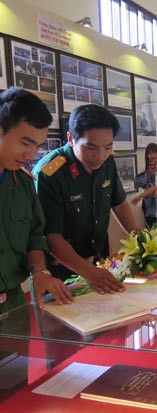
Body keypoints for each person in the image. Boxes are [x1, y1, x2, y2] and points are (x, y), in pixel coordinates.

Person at [33, 104, 137, 294]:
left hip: (99, 260)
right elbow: (51, 236)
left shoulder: (107, 162)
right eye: (91, 148)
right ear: (71, 139)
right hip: (61, 272)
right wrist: (88, 272)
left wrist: (140, 240)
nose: (100, 156)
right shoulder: (50, 173)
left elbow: (119, 204)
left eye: (108, 147)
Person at [0, 87, 72, 312]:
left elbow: (34, 236)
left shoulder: (23, 184)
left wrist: (40, 271)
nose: (31, 155)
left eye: (37, 146)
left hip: (12, 304)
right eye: (25, 143)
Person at [134, 143, 157, 227]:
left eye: (154, 153)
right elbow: (140, 185)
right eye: (149, 153)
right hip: (149, 204)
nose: (152, 156)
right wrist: (149, 173)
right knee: (150, 229)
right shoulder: (145, 167)